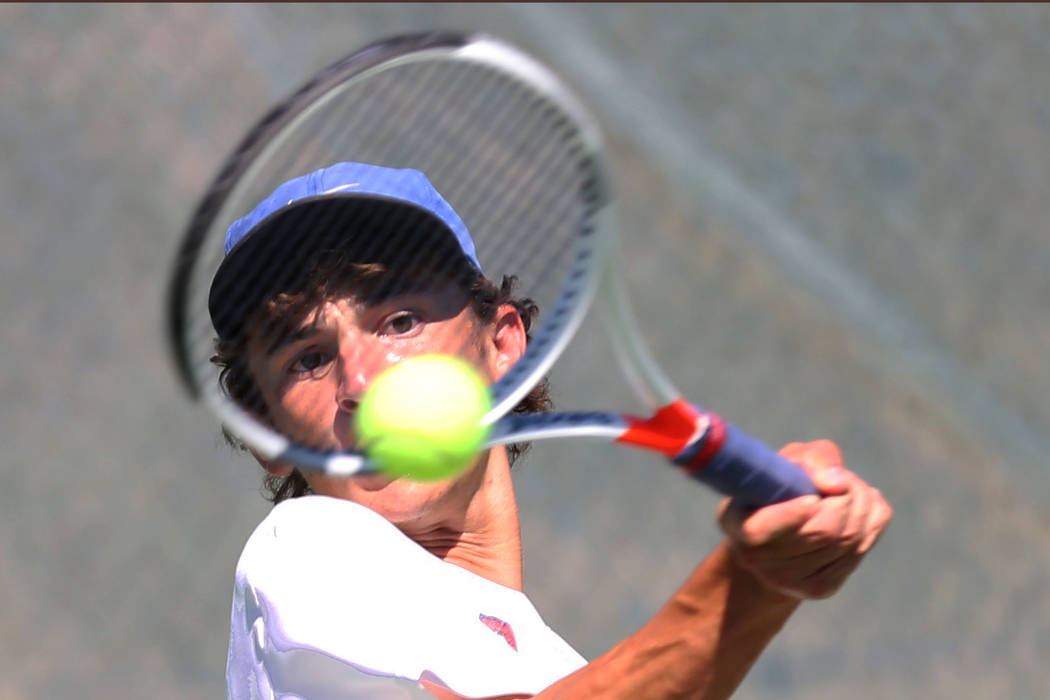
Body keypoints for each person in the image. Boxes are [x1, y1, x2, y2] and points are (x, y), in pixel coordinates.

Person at [211, 162, 892, 699]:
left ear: (504, 347)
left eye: (400, 321)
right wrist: (752, 584)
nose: (361, 383)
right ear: (267, 430)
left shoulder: (562, 671)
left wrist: (766, 579)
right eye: (308, 358)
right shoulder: (300, 552)